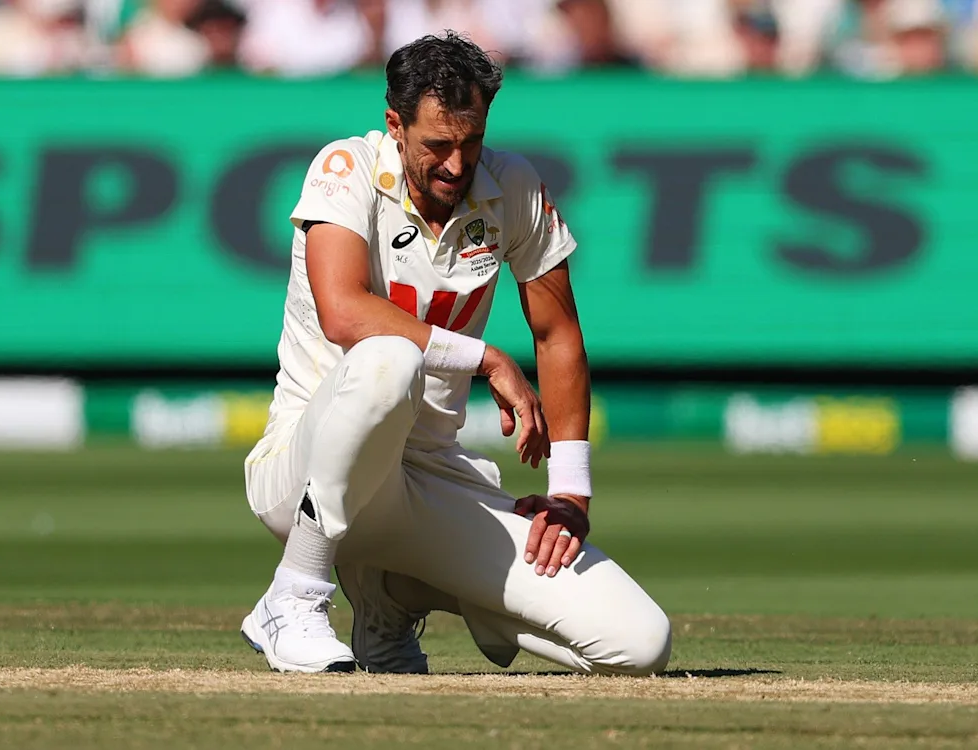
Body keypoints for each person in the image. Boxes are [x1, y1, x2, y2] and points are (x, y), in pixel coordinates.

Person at [239, 31, 672, 676]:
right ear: (395, 124)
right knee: (389, 359)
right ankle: (294, 595)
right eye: (437, 145)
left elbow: (557, 334)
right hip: (299, 469)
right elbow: (344, 311)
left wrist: (570, 494)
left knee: (639, 644)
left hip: (430, 475)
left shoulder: (511, 185)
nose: (455, 163)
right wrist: (488, 358)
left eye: (471, 142)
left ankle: (390, 596)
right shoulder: (346, 167)